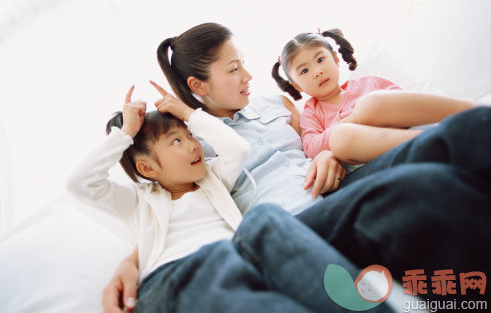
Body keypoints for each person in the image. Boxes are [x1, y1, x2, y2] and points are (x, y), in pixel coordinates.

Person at [103, 22, 491, 311]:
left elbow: (314, 139)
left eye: (244, 64)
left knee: (459, 138)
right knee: (274, 218)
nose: (249, 76)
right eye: (234, 68)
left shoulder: (277, 104)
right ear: (199, 85)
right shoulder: (187, 141)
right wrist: (131, 261)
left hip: (338, 192)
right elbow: (171, 207)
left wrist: (328, 153)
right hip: (293, 225)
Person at [66, 85, 380, 312]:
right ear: (147, 168)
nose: (194, 145)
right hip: (174, 277)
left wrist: (190, 115)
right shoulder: (138, 202)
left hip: (235, 259)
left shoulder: (212, 177)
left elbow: (239, 148)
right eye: (177, 140)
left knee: (265, 219)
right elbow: (81, 184)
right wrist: (124, 133)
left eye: (191, 136)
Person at [272, 29, 477, 165]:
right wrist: (352, 120)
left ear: (336, 59)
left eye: (320, 59)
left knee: (370, 103)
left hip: (395, 128)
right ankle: (438, 141)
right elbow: (311, 148)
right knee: (341, 138)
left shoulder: (369, 83)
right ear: (296, 85)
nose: (317, 71)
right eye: (305, 71)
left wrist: (366, 113)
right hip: (364, 153)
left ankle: (472, 110)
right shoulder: (311, 112)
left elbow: (403, 103)